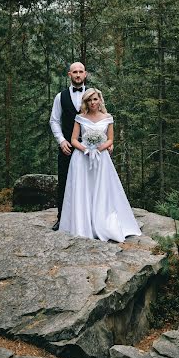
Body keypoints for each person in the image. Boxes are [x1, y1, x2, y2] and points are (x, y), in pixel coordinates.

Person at [59, 88, 141, 242]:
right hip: (82, 159)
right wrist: (86, 150)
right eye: (89, 100)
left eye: (95, 99)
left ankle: (102, 222)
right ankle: (82, 225)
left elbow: (110, 139)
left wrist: (98, 149)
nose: (92, 103)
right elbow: (74, 139)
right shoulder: (80, 118)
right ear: (85, 102)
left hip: (101, 158)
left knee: (101, 189)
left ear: (100, 100)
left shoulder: (108, 118)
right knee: (83, 189)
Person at [49, 62, 88, 231]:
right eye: (74, 72)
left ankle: (89, 220)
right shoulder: (60, 97)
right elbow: (54, 121)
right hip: (67, 148)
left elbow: (102, 118)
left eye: (80, 72)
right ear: (69, 75)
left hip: (89, 148)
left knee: (90, 182)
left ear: (85, 74)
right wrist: (61, 140)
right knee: (65, 182)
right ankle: (61, 218)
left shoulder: (93, 95)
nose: (78, 75)